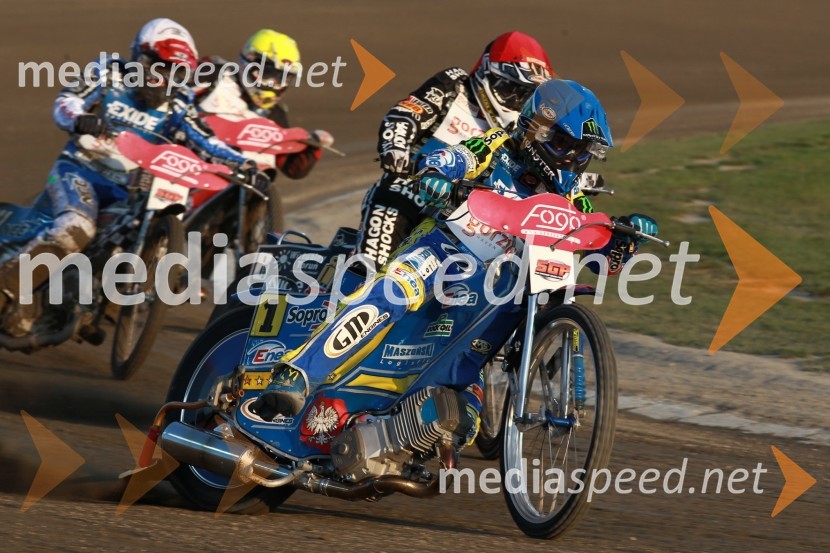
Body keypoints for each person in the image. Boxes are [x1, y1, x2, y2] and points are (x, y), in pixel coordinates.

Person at [251, 79, 659, 445]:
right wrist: (437, 171)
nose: (570, 160)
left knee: (462, 420)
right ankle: (298, 373)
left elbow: (589, 237)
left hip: (495, 283)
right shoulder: (497, 145)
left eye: (581, 153)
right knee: (393, 291)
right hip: (444, 248)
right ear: (537, 129)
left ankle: (408, 426)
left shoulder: (570, 193)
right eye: (564, 146)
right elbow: (454, 158)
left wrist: (621, 241)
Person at [0, 18, 257, 335]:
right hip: (79, 170)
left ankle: (97, 303)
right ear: (142, 60)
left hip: (128, 190)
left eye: (177, 74)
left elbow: (205, 139)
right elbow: (67, 100)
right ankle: (9, 289)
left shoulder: (179, 103)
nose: (167, 80)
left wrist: (241, 162)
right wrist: (80, 118)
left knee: (141, 230)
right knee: (77, 226)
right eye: (162, 69)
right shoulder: (108, 73)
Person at [357, 31, 554, 270]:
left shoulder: (521, 126)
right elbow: (406, 114)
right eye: (511, 88)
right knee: (371, 268)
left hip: (466, 215)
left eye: (525, 94)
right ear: (487, 73)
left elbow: (539, 163)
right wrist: (395, 148)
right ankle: (351, 291)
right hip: (411, 190)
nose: (516, 99)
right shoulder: (456, 84)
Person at [195, 29, 333, 180]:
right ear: (248, 62)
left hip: (239, 184)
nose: (274, 84)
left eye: (283, 78)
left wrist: (312, 146)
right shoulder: (214, 73)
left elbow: (292, 168)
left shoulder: (273, 113)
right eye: (268, 73)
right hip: (191, 166)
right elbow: (175, 97)